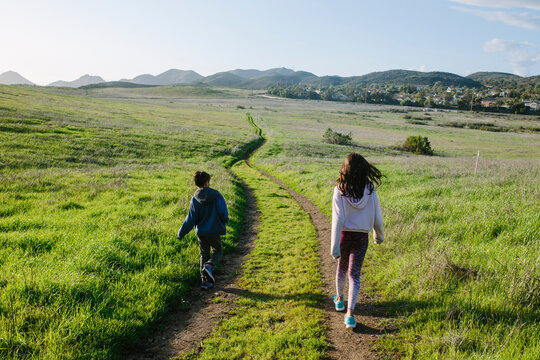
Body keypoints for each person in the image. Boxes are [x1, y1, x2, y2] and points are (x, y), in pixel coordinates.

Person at [330, 153, 384, 328]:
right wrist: (378, 235)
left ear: (345, 169)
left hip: (344, 236)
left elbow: (337, 220)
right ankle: (350, 315)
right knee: (355, 275)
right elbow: (377, 214)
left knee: (342, 268)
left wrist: (334, 247)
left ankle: (339, 299)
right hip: (362, 237)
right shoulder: (369, 189)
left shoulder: (340, 189)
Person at [177, 171, 229, 290]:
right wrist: (225, 220)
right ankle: (209, 267)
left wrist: (181, 233)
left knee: (204, 254)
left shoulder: (195, 199)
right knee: (218, 250)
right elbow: (223, 212)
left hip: (201, 232)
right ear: (206, 182)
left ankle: (205, 282)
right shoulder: (216, 195)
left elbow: (190, 219)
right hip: (214, 230)